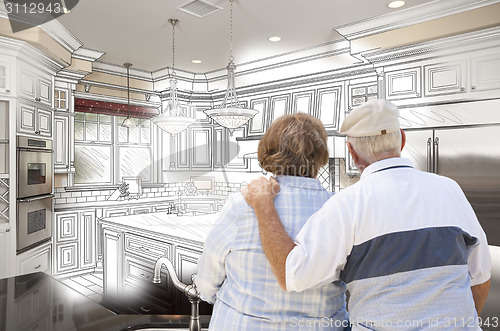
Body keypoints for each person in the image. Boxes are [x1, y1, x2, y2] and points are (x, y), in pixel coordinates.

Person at [242, 99, 491, 330]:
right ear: (402, 140)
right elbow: (480, 277)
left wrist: (264, 205)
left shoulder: (346, 205)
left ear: (352, 152)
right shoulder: (449, 189)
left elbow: (292, 275)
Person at [196, 113, 349, 330]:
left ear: (269, 152)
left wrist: (213, 296)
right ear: (321, 155)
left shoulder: (241, 205)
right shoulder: (341, 209)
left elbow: (208, 279)